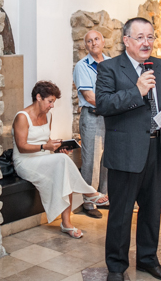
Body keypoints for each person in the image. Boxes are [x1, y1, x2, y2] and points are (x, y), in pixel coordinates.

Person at [95, 17, 161, 281]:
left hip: (157, 149)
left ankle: (147, 259)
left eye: (150, 37)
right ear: (126, 40)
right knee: (121, 214)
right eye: (140, 37)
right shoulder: (109, 68)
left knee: (152, 210)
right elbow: (103, 105)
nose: (146, 43)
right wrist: (137, 90)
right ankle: (116, 267)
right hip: (125, 153)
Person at [12, 81, 107, 238]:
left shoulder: (48, 115)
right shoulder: (22, 117)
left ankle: (67, 223)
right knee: (62, 162)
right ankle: (88, 193)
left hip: (42, 157)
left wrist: (56, 147)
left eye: (53, 102)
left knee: (63, 164)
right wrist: (45, 147)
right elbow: (22, 147)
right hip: (25, 161)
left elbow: (45, 139)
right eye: (50, 101)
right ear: (38, 97)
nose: (52, 106)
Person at [73, 29, 111, 216]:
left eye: (96, 39)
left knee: (107, 159)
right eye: (89, 41)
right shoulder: (82, 66)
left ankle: (103, 196)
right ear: (85, 46)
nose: (94, 43)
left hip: (110, 117)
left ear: (103, 41)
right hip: (93, 116)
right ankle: (88, 202)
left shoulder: (112, 63)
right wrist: (115, 102)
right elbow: (89, 96)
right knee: (92, 161)